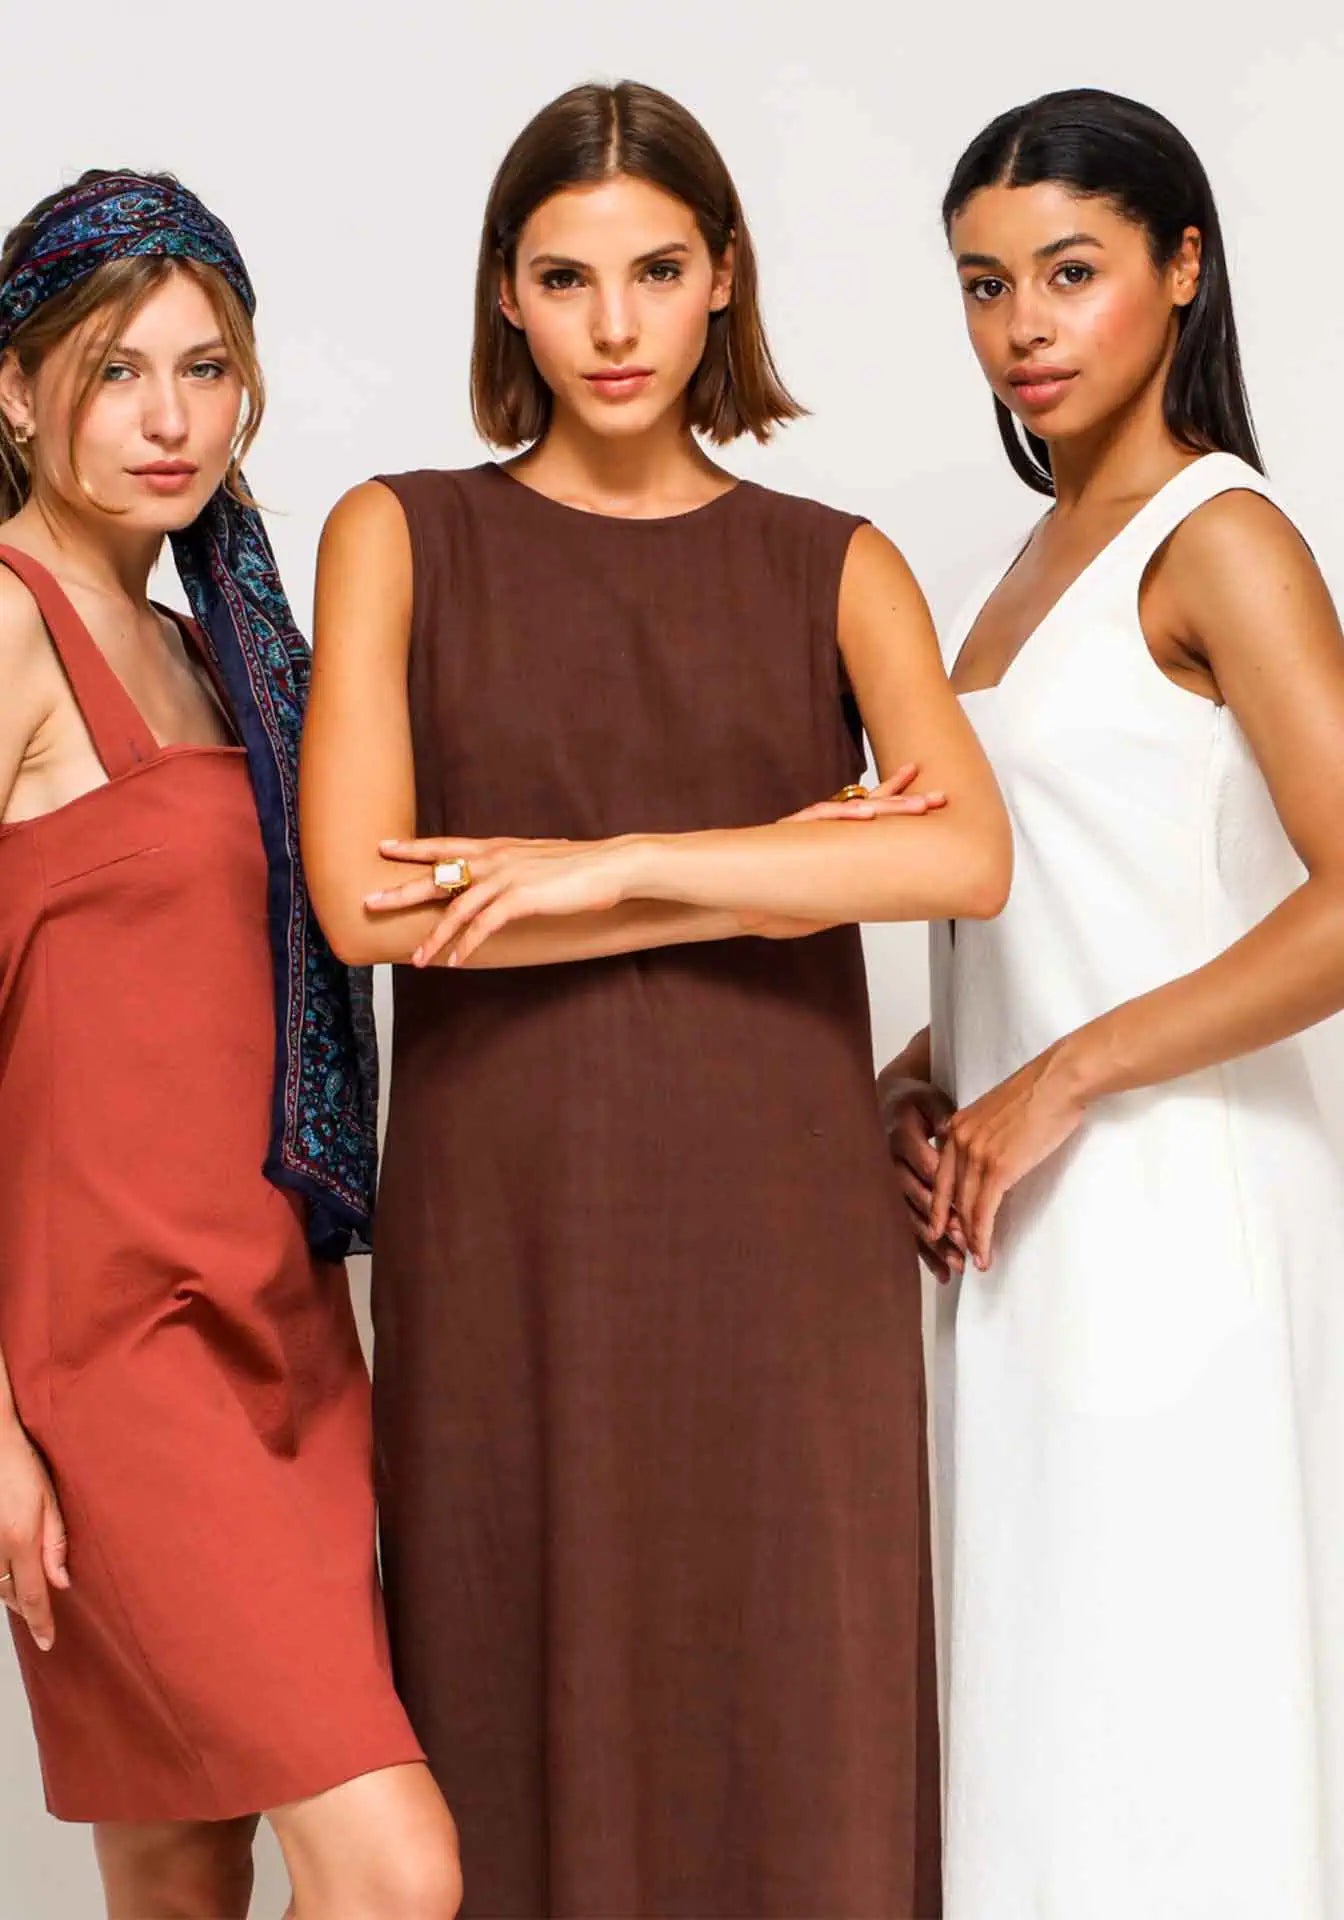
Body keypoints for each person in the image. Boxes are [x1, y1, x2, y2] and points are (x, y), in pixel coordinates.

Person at [301, 78, 1012, 1920]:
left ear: (722, 284)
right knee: (502, 1680)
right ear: (506, 297)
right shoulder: (397, 532)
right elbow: (371, 900)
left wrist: (608, 864)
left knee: (793, 1697)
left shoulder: (838, 564)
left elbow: (956, 860)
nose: (613, 326)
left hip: (779, 1246)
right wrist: (784, 860)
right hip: (509, 1224)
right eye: (564, 276)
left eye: (656, 270)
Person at [880, 87, 1344, 1918]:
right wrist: (927, 1078)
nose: (1025, 330)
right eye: (986, 287)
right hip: (1017, 1231)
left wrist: (1057, 1077)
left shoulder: (1219, 536)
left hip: (1179, 1210)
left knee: (1168, 1726)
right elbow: (1077, 891)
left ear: (1184, 266)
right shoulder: (1018, 571)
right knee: (1040, 1723)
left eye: (1070, 273)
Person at [0, 170, 461, 1920]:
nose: (170, 419)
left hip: (284, 1330)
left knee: (181, 1876)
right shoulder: (10, 624)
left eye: (205, 369)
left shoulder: (224, 657)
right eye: (117, 370)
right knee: (395, 1871)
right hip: (117, 1363)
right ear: (13, 386)